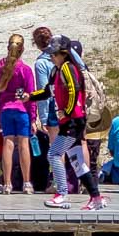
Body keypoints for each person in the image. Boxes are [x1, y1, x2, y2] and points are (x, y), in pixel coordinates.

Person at [19, 34, 105, 211]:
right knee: (77, 162)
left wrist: (67, 111)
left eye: (55, 54)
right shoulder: (55, 70)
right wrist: (29, 97)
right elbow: (46, 91)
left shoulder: (67, 68)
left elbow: (74, 91)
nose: (52, 57)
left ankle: (62, 193)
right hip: (69, 121)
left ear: (64, 53)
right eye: (51, 54)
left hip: (73, 121)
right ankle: (96, 197)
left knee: (53, 154)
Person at [0, 33, 37, 195]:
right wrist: (33, 118)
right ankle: (26, 182)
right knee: (24, 145)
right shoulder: (25, 69)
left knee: (8, 144)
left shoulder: (0, 67)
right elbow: (31, 95)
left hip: (6, 109)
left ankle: (7, 183)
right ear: (22, 49)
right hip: (22, 110)